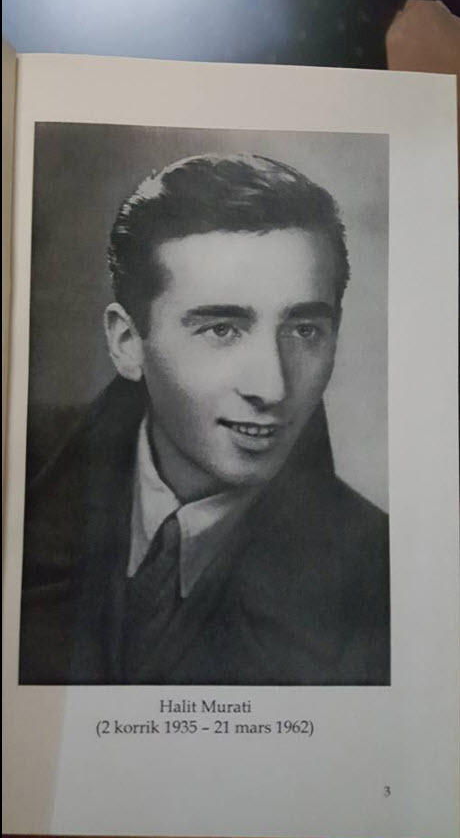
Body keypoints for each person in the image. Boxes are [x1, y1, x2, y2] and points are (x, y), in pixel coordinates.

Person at [19, 153, 390, 685]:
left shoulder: (384, 575)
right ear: (127, 343)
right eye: (221, 329)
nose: (272, 387)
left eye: (304, 330)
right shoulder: (22, 476)